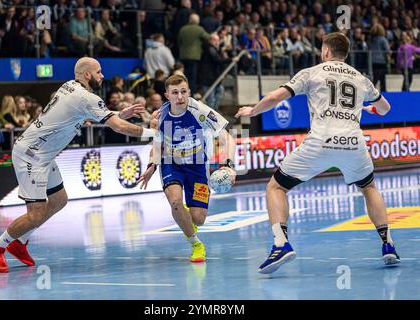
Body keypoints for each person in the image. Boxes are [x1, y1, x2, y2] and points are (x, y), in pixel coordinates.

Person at [235, 32, 400, 274]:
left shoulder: (312, 72)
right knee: (369, 187)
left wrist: (253, 111)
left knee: (276, 187)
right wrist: (372, 109)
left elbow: (274, 97)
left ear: (325, 52)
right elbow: (386, 108)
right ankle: (388, 244)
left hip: (321, 142)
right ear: (346, 53)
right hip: (353, 143)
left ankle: (281, 244)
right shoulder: (361, 79)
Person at [0, 57, 156, 273]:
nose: (102, 76)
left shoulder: (68, 87)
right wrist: (155, 134)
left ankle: (20, 242)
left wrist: (118, 114)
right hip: (31, 155)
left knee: (59, 200)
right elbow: (119, 128)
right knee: (35, 214)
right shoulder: (85, 97)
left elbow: (85, 116)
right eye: (99, 72)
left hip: (43, 154)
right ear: (87, 75)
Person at [138, 74, 237, 263]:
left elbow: (227, 138)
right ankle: (196, 244)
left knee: (198, 218)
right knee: (175, 201)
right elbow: (157, 144)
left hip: (197, 165)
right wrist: (151, 165)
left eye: (183, 91)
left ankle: (186, 220)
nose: (180, 97)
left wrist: (229, 165)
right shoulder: (160, 116)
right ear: (167, 95)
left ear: (189, 92)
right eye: (175, 93)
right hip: (171, 162)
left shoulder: (200, 111)